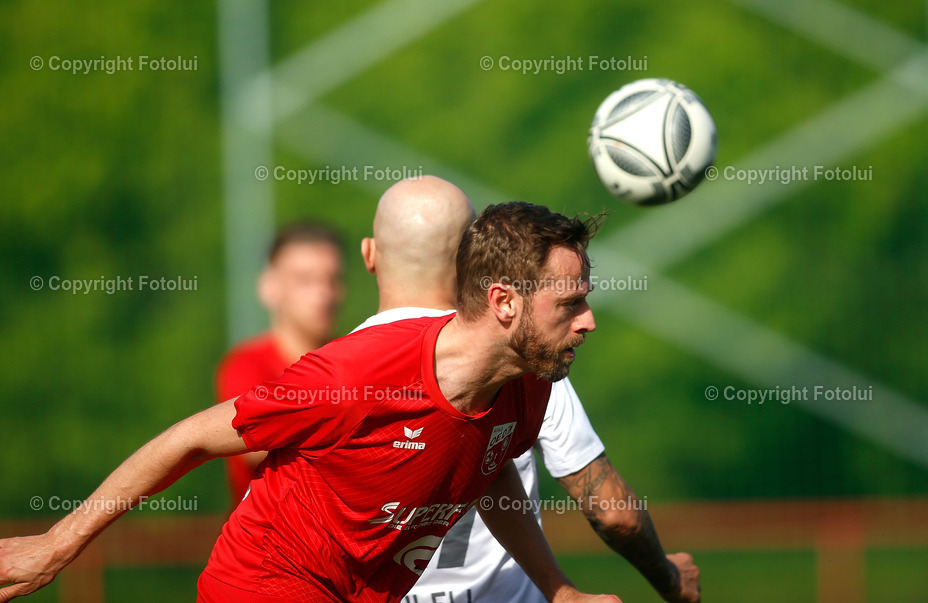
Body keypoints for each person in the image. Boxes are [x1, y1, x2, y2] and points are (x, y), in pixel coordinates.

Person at [0, 201, 618, 603]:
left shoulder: (529, 385)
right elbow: (186, 439)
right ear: (506, 302)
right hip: (265, 585)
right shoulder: (360, 373)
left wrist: (559, 590)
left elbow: (488, 466)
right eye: (570, 303)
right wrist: (55, 545)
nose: (588, 321)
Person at [355, 177, 700, 603]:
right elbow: (614, 514)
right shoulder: (521, 360)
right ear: (472, 262)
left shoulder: (340, 372)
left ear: (369, 255)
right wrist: (668, 576)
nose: (587, 321)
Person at [216, 221, 345, 508]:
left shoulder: (356, 361)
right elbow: (254, 444)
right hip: (263, 547)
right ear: (269, 287)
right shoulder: (245, 366)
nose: (323, 294)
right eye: (305, 280)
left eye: (333, 279)